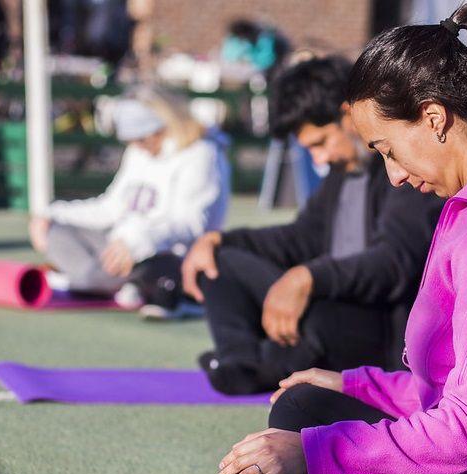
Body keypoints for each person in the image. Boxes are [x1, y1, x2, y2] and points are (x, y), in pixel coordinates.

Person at [214, 3, 467, 474]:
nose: (394, 175)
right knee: (304, 405)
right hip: (465, 466)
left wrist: (314, 455)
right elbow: (449, 387)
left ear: (434, 118)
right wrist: (356, 384)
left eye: (388, 150)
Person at [182, 56, 443, 395]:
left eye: (320, 143)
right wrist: (218, 239)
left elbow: (393, 264)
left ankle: (270, 364)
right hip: (329, 301)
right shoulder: (341, 174)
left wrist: (309, 278)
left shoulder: (405, 174)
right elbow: (301, 237)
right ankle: (240, 362)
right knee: (221, 263)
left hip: (377, 327)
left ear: (349, 114)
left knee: (318, 317)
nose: (319, 159)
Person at [28, 87, 231, 318]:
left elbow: (191, 224)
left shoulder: (201, 153)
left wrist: (137, 242)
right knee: (58, 233)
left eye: (143, 137)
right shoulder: (138, 153)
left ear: (165, 124)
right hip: (119, 245)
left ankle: (82, 280)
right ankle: (115, 284)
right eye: (132, 140)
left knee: (94, 273)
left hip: (164, 253)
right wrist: (51, 215)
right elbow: (111, 208)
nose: (137, 146)